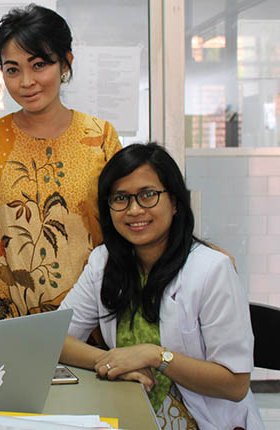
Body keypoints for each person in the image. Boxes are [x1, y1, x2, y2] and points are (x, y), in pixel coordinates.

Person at [59, 143, 263, 430]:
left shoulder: (212, 269)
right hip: (130, 415)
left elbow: (235, 384)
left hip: (204, 422)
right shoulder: (103, 262)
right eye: (120, 198)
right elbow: (57, 339)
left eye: (148, 195)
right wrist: (113, 361)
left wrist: (156, 356)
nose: (134, 210)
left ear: (175, 202)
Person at [0, 4, 121, 324]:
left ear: (66, 63)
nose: (26, 82)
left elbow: (123, 225)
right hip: (5, 321)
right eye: (12, 69)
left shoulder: (100, 137)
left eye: (39, 64)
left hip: (88, 319)